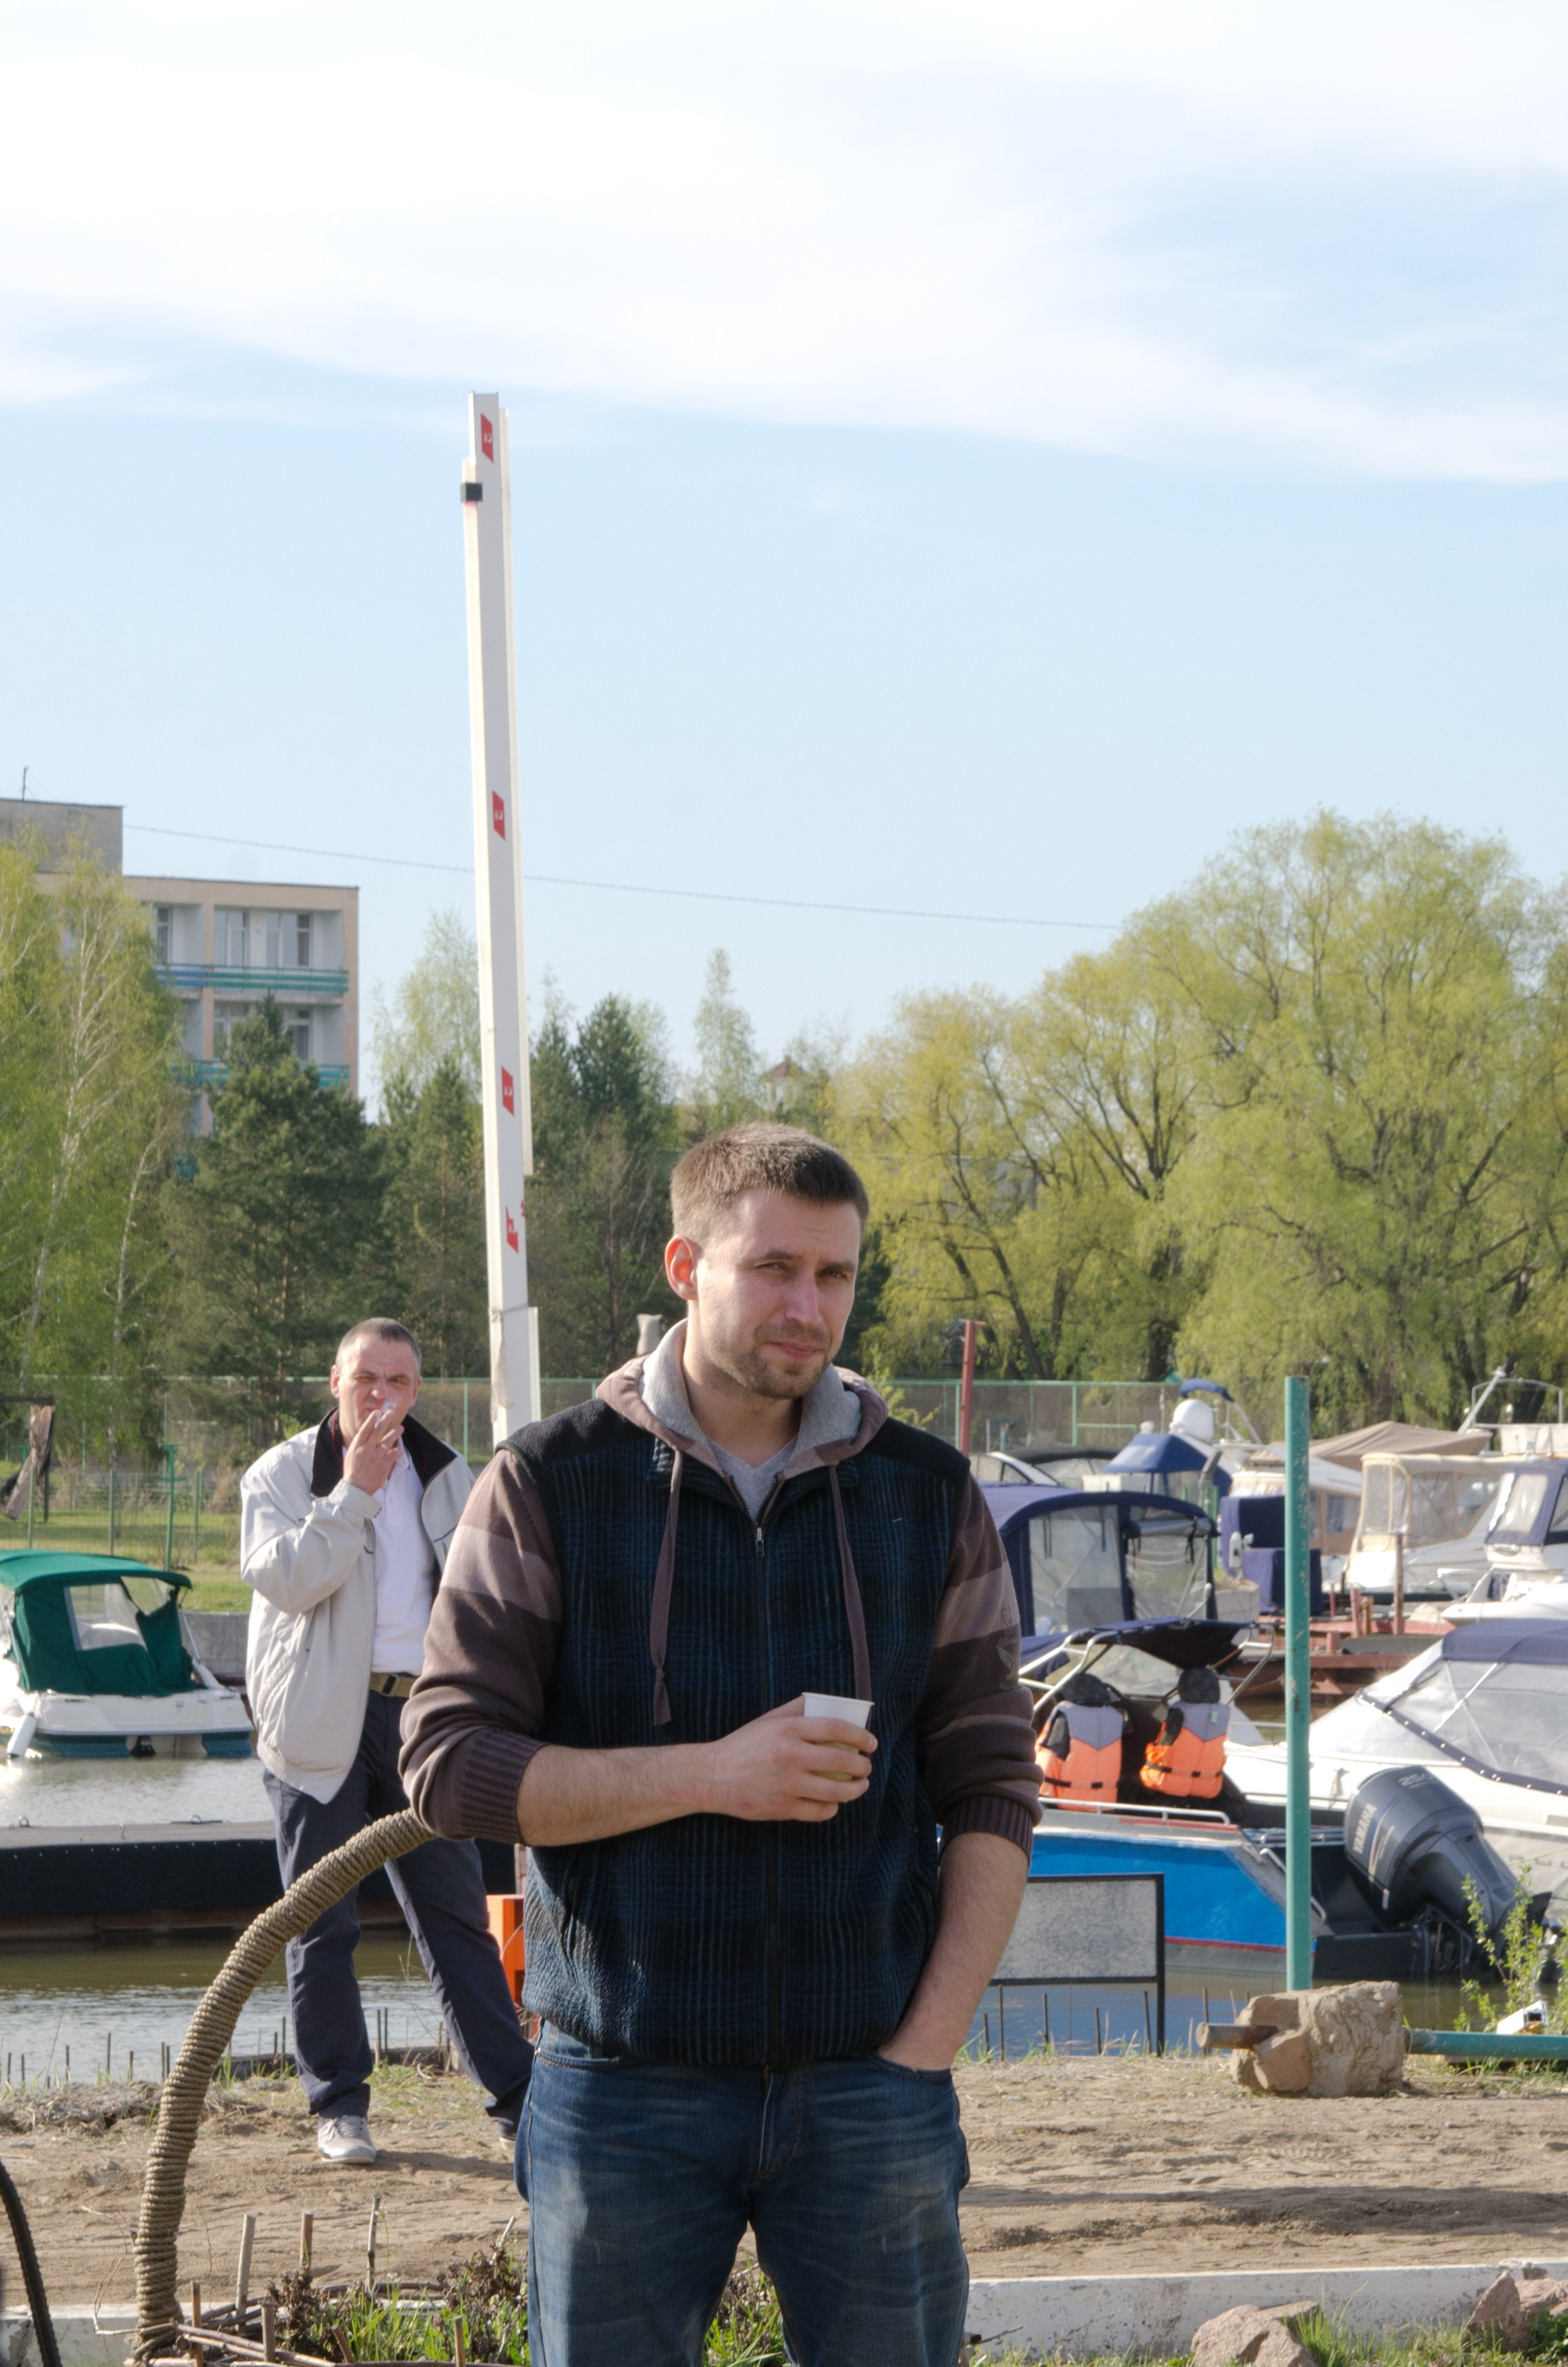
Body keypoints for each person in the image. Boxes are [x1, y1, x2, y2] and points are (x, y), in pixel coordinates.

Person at [401, 1125, 1039, 2367]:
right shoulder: (549, 1481)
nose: (809, 1307)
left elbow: (993, 1784)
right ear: (685, 1266)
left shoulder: (926, 1492)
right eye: (773, 1268)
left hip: (870, 2089)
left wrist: (922, 2053)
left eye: (835, 1275)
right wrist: (710, 1774)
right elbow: (447, 1766)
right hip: (619, 2089)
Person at [241, 1317, 534, 2166]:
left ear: (416, 1389)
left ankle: (520, 2102)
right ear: (334, 1380)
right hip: (318, 1721)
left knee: (456, 1918)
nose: (381, 1395)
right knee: (319, 1922)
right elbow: (286, 1579)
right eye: (366, 1377)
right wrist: (353, 1493)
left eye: (398, 1381)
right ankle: (339, 2105)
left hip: (421, 1724)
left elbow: (482, 1597)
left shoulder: (447, 1474)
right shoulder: (282, 1473)